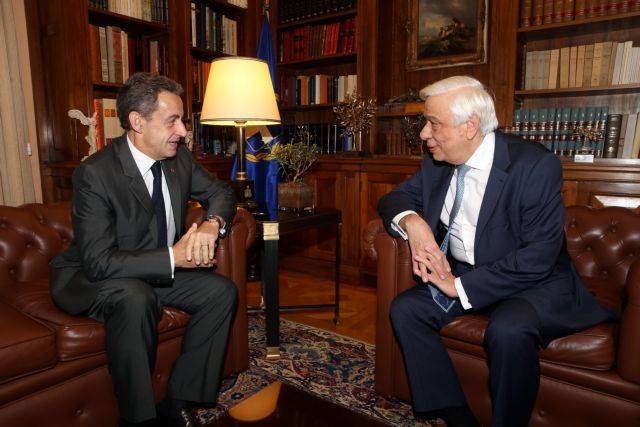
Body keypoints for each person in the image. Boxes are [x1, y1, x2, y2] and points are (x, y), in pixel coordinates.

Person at [378, 76, 617, 427]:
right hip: (467, 272)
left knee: (508, 331)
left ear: (470, 126)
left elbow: (539, 257)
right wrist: (413, 223)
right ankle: (456, 415)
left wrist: (458, 288)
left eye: (434, 123)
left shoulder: (534, 165)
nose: (424, 133)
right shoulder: (436, 162)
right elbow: (394, 199)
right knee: (406, 309)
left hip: (533, 283)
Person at [50, 72, 238, 426]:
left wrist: (212, 223)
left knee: (221, 292)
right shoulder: (95, 174)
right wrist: (172, 257)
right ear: (137, 122)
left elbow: (221, 193)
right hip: (97, 277)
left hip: (153, 271)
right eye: (172, 121)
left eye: (182, 120)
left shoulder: (178, 159)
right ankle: (137, 419)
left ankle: (179, 400)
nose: (183, 131)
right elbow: (98, 262)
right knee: (136, 297)